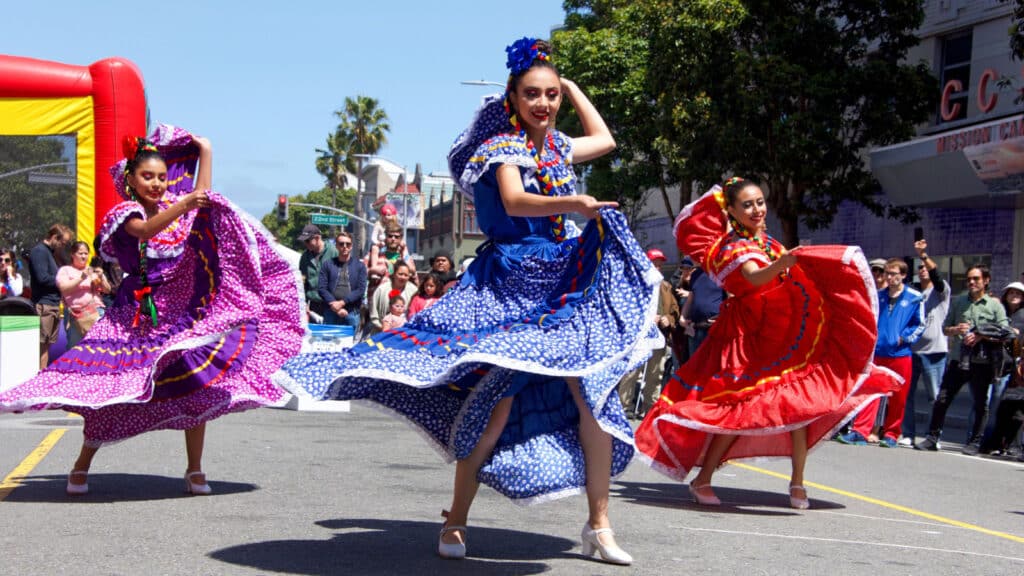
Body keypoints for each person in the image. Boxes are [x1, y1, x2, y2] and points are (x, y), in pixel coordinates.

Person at [275, 37, 661, 565]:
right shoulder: (500, 148)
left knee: (592, 398)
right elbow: (514, 200)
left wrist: (570, 85)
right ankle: (456, 518)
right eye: (533, 94)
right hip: (511, 285)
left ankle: (599, 525)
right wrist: (573, 201)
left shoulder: (557, 147)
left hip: (561, 284)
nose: (544, 104)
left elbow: (606, 139)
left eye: (551, 95)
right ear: (513, 97)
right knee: (495, 404)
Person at [0, 126, 303, 495]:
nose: (157, 184)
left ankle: (194, 470)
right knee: (113, 391)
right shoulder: (125, 212)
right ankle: (81, 466)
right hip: (136, 316)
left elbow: (201, 198)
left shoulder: (175, 206)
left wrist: (205, 151)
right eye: (148, 177)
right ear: (131, 178)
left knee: (197, 387)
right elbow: (143, 231)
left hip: (177, 314)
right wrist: (185, 203)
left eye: (162, 177)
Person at [635, 177, 897, 510]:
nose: (757, 209)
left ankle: (798, 482)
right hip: (747, 337)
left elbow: (783, 275)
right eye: (747, 204)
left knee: (801, 402)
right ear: (731, 210)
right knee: (741, 408)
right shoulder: (731, 246)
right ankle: (703, 479)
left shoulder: (768, 242)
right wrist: (782, 265)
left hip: (784, 332)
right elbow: (753, 277)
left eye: (759, 202)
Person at [915, 265, 1009, 454]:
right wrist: (956, 330)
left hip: (982, 362)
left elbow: (1004, 331)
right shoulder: (959, 303)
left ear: (986, 280)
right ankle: (932, 437)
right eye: (969, 279)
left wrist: (981, 335)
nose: (972, 282)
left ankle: (975, 442)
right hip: (959, 359)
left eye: (976, 279)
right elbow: (945, 328)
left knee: (981, 403)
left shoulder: (994, 305)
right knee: (942, 399)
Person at [838, 258, 924, 448]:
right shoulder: (878, 296)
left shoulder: (915, 297)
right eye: (887, 273)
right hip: (877, 353)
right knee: (870, 393)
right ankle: (860, 431)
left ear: (903, 275)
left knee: (899, 397)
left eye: (893, 273)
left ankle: (892, 434)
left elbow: (919, 325)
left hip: (901, 355)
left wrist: (905, 338)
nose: (889, 277)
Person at [617, 248, 679, 419]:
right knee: (632, 372)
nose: (658, 268)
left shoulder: (666, 287)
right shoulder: (634, 285)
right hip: (638, 338)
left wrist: (668, 318)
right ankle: (625, 406)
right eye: (654, 264)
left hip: (659, 337)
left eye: (660, 265)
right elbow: (625, 310)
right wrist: (646, 319)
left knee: (655, 373)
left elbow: (674, 310)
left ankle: (650, 407)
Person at [900, 240, 950, 447]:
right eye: (919, 268)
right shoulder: (913, 295)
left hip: (934, 352)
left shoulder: (941, 291)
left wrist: (923, 255)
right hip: (912, 351)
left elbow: (937, 276)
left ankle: (933, 436)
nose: (922, 270)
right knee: (907, 396)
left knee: (935, 397)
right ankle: (908, 434)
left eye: (925, 267)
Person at [27, 223, 72, 368]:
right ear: (54, 237)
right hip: (44, 305)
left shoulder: (51, 254)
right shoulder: (39, 252)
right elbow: (42, 278)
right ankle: (38, 377)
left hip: (53, 304)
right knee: (41, 346)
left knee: (47, 346)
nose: (62, 247)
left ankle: (42, 372)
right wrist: (62, 281)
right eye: (62, 243)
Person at [56, 241, 111, 346]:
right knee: (75, 347)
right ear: (72, 254)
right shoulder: (65, 270)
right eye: (80, 253)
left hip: (97, 312)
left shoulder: (92, 270)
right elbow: (64, 288)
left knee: (98, 346)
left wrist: (101, 277)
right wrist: (81, 278)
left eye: (86, 253)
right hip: (76, 315)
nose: (83, 256)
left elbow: (107, 290)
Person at [318, 231, 368, 332]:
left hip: (352, 312)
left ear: (351, 246)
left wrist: (342, 302)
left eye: (348, 244)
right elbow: (322, 288)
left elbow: (361, 290)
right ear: (336, 246)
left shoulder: (360, 266)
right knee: (329, 343)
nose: (345, 246)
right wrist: (335, 306)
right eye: (341, 244)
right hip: (330, 311)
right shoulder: (327, 265)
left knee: (349, 345)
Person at [298, 224, 337, 322]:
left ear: (317, 238)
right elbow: (302, 283)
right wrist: (304, 304)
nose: (305, 244)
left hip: (330, 305)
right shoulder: (305, 257)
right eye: (304, 241)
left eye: (308, 241)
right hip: (313, 306)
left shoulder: (333, 252)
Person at [367, 261, 417, 336]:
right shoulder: (382, 289)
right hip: (382, 332)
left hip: (406, 333)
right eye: (400, 274)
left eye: (406, 275)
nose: (403, 277)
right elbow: (374, 313)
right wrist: (383, 327)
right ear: (394, 274)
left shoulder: (413, 290)